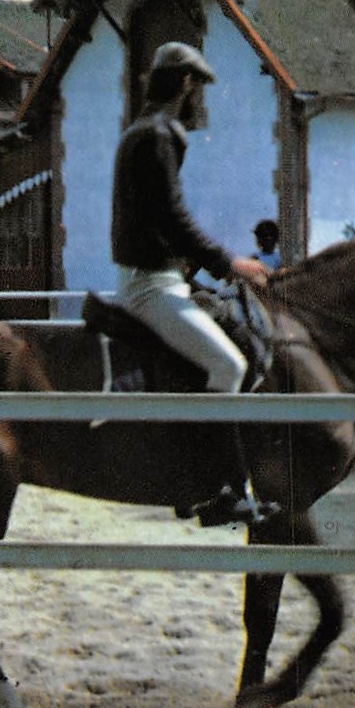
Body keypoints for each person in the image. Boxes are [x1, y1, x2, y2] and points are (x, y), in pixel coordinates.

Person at [110, 42, 277, 527]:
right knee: (228, 365)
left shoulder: (139, 132)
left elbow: (159, 225)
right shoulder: (161, 133)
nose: (197, 97)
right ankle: (217, 490)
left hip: (159, 276)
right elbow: (174, 218)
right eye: (196, 87)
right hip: (151, 287)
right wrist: (231, 264)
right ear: (184, 85)